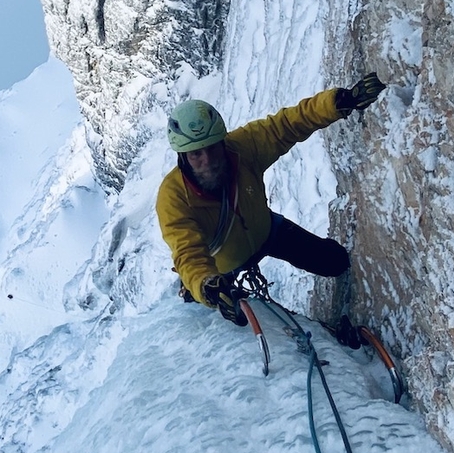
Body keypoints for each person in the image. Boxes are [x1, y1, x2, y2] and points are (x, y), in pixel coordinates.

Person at [155, 78, 385, 345]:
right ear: (183, 156)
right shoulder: (172, 198)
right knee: (225, 310)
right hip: (220, 268)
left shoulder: (241, 148)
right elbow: (188, 253)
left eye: (212, 148)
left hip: (266, 233)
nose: (208, 161)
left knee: (334, 261)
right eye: (196, 154)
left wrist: (338, 103)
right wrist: (207, 285)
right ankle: (198, 291)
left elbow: (286, 125)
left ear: (222, 142)